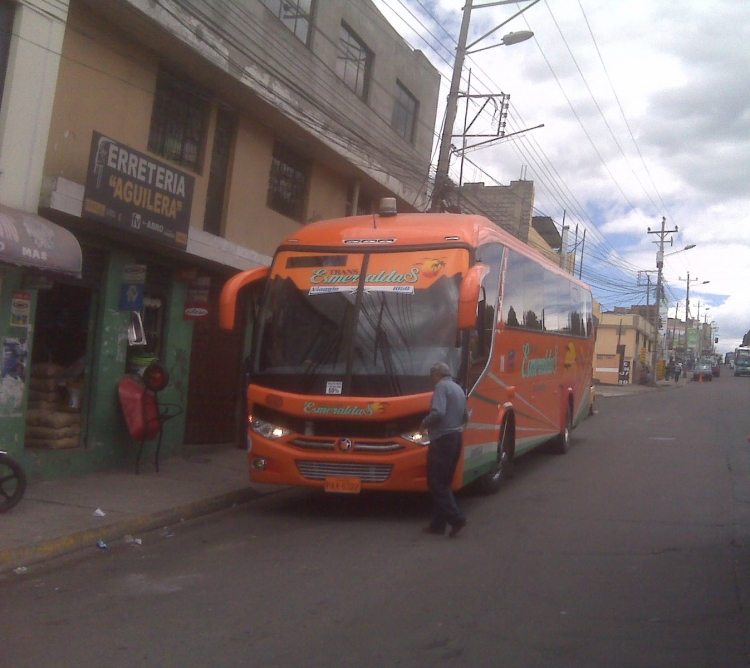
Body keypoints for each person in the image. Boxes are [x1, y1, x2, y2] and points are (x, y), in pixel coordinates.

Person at [419, 362, 469, 538]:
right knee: (444, 482)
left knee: (436, 483)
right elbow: (466, 416)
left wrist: (424, 423)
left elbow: (438, 412)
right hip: (456, 438)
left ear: (436, 374)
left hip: (442, 439)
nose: (431, 379)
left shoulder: (441, 387)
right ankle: (438, 524)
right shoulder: (458, 388)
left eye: (431, 376)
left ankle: (457, 518)